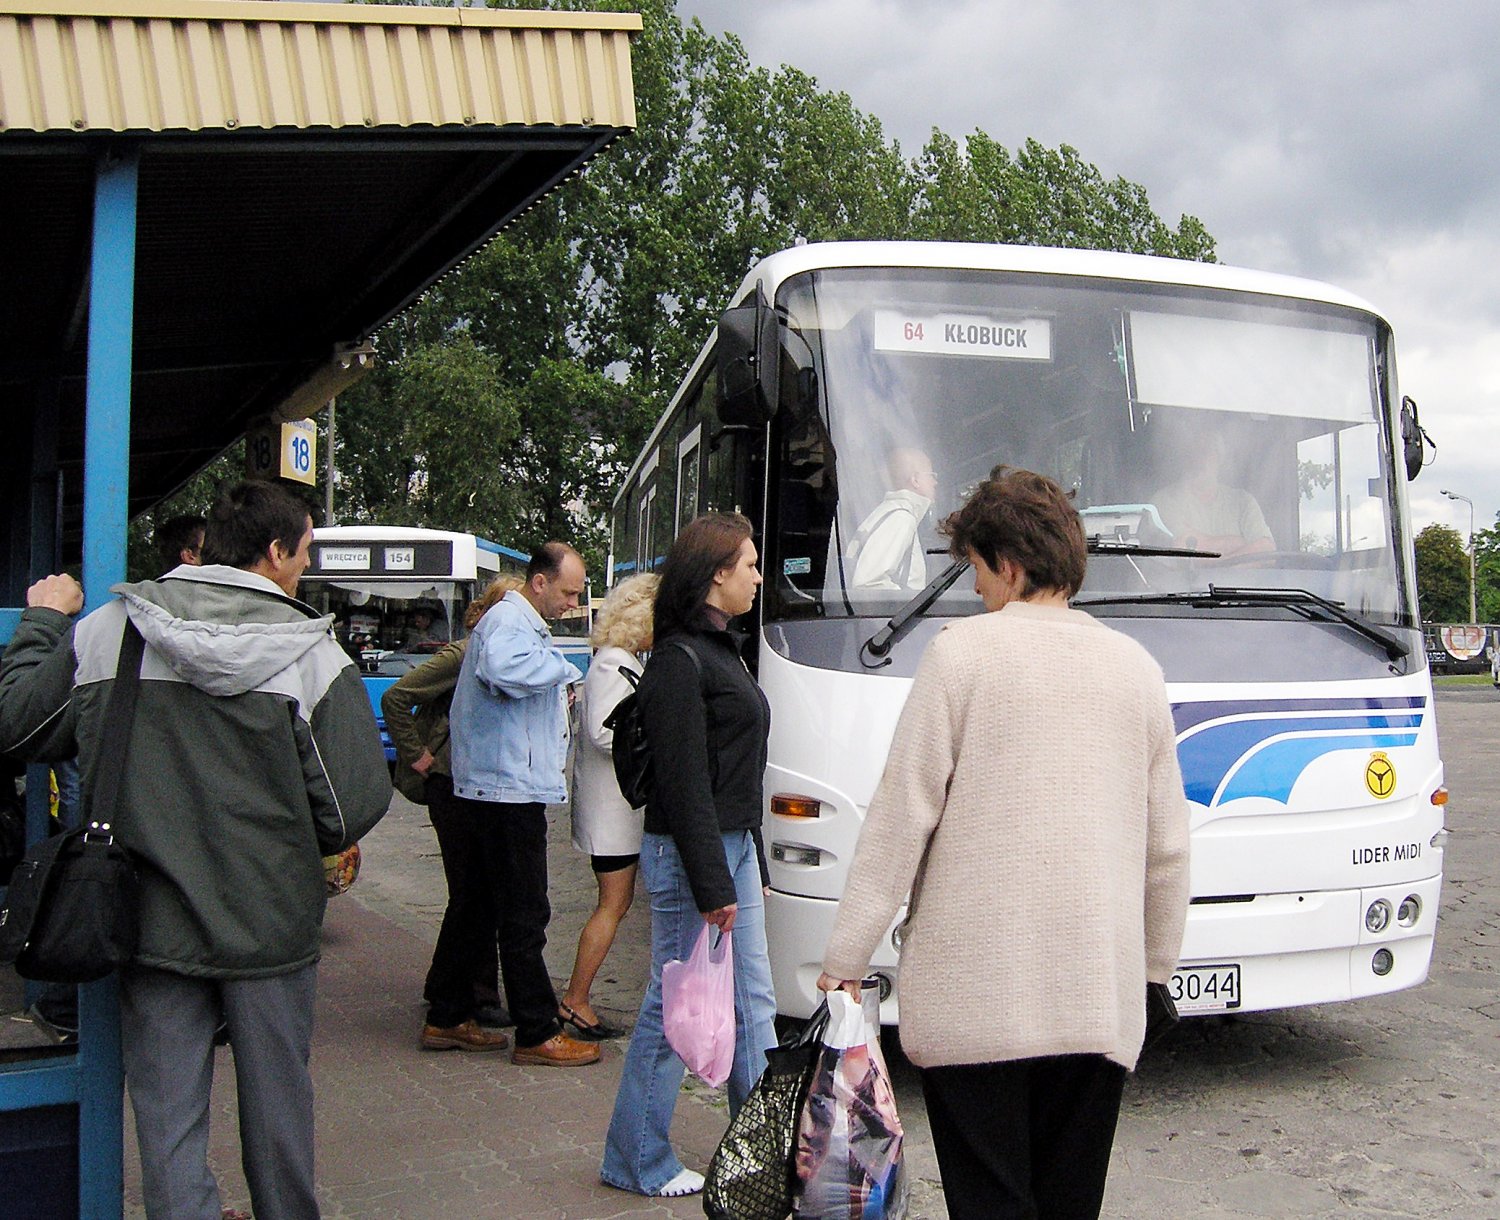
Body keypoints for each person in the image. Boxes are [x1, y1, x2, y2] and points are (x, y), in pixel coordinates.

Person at [0, 479, 391, 1220]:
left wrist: (43, 622)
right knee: (281, 1118)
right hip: (270, 928)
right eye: (304, 553)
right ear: (276, 553)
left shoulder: (107, 630)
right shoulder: (310, 651)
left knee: (168, 1124)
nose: (304, 569)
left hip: (148, 923)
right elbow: (352, 807)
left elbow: (17, 727)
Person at [817, 468, 1191, 1220]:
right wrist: (1152, 970)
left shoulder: (963, 655)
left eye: (978, 570)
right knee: (1068, 1203)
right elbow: (1168, 850)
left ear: (1010, 565)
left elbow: (900, 819)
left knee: (990, 1202)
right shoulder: (1137, 670)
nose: (977, 589)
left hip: (975, 1001)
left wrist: (845, 960)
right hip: (1098, 999)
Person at [601, 513, 778, 1199]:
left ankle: (758, 1151)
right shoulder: (679, 660)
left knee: (753, 1002)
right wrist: (715, 881)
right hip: (691, 855)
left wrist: (748, 867)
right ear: (716, 575)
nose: (761, 576)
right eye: (751, 564)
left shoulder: (720, 650)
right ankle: (635, 1158)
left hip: (726, 850)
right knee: (673, 1008)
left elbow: (736, 778)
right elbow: (683, 783)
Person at [438, 542, 600, 1065]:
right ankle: (535, 1029)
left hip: (496, 785)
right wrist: (567, 668)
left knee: (477, 907)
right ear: (539, 583)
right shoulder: (511, 624)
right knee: (524, 911)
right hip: (507, 789)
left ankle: (446, 1014)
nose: (572, 604)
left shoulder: (513, 623)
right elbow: (507, 672)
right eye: (569, 592)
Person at [382, 577, 521, 1038]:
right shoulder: (463, 655)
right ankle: (469, 997)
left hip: (469, 782)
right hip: (449, 782)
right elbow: (396, 697)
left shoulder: (492, 653)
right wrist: (418, 755)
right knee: (472, 893)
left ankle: (450, 987)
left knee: (474, 892)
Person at [559, 572, 660, 1040]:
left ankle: (577, 998)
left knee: (614, 905)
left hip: (616, 810)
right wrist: (651, 735)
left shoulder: (619, 661)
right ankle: (576, 999)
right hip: (611, 812)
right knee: (612, 905)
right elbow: (603, 732)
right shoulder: (611, 665)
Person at [1150, 431, 1273, 559]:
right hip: (1179, 580)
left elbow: (1267, 552)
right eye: (1192, 452)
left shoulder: (1243, 501)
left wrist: (1224, 567)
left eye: (1205, 451)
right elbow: (1183, 552)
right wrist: (1240, 545)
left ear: (1220, 458)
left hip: (1243, 580)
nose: (1198, 459)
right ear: (1183, 458)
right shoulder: (1163, 502)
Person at [846, 446, 938, 590]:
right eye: (931, 475)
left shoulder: (888, 512)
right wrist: (910, 603)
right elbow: (869, 584)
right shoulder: (900, 518)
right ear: (915, 480)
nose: (935, 482)